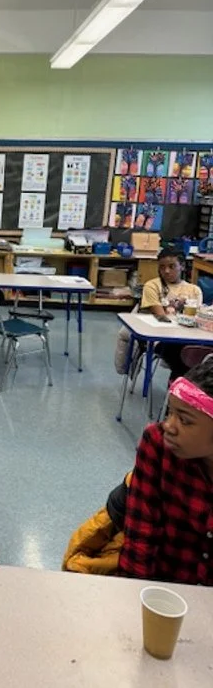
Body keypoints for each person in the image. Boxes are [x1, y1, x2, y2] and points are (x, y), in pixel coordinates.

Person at [118, 356, 213, 586]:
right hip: (163, 586)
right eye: (170, 412)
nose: (169, 426)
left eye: (185, 420)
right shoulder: (157, 444)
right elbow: (141, 537)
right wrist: (136, 594)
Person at [140, 247, 202, 379]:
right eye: (162, 267)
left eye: (172, 266)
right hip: (162, 337)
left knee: (201, 353)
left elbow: (198, 319)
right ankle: (178, 390)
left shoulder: (194, 290)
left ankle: (186, 390)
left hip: (190, 337)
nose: (166, 271)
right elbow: (162, 317)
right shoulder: (152, 286)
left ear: (182, 266)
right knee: (180, 353)